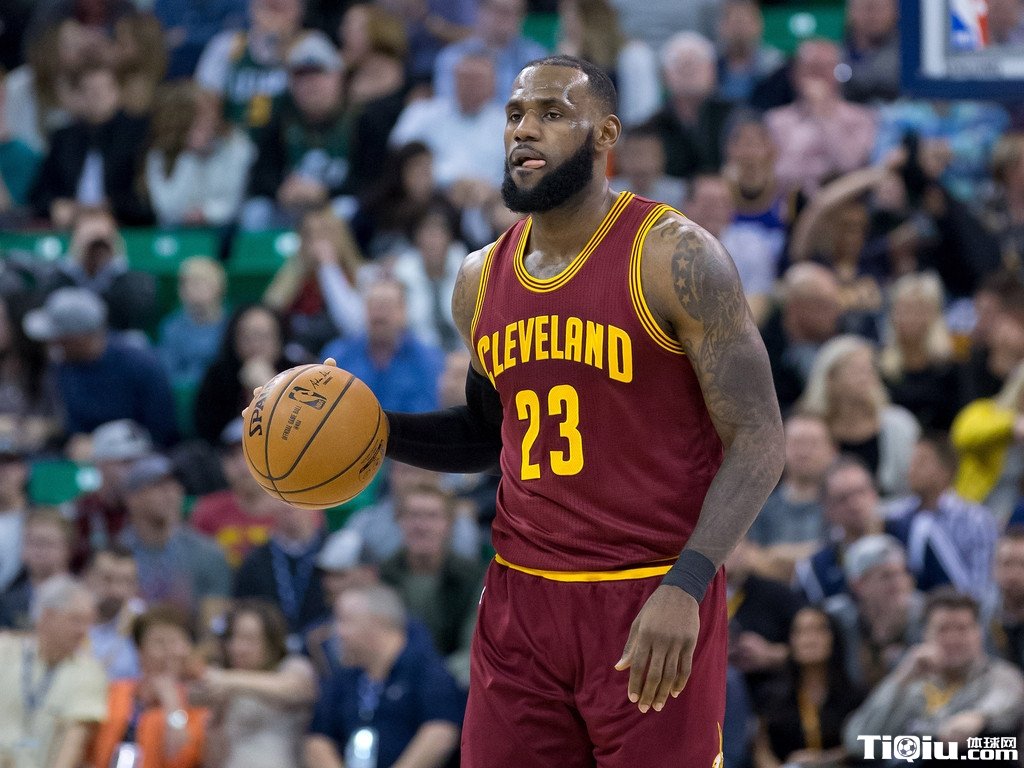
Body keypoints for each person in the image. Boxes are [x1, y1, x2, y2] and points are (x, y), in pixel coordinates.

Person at [304, 54, 785, 766]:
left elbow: (759, 438)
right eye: (515, 114)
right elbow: (486, 433)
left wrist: (688, 584)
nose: (525, 130)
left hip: (646, 592)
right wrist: (368, 429)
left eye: (553, 113)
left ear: (606, 134)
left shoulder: (674, 257)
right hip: (520, 601)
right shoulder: (479, 279)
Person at [844, 589, 1024, 756]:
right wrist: (900, 678)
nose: (953, 639)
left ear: (979, 633)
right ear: (925, 634)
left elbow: (1007, 703)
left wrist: (980, 717)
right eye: (943, 629)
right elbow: (859, 743)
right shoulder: (910, 684)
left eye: (962, 628)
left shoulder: (1000, 676)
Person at [304, 584, 464, 768]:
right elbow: (318, 738)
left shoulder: (427, 671)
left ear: (377, 622)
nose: (337, 632)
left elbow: (441, 732)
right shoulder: (344, 676)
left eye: (345, 621)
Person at [22, 288, 178, 447]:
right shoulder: (63, 366)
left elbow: (161, 433)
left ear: (79, 339)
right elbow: (73, 426)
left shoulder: (140, 365)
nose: (53, 346)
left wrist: (100, 446)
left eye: (60, 340)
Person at [0, 576, 108, 768]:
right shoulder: (5, 651)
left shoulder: (89, 673)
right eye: (76, 620)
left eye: (88, 622)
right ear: (47, 616)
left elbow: (74, 741)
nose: (83, 631)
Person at [194, 599, 316, 768]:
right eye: (233, 637)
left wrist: (229, 679)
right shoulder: (224, 685)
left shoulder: (292, 666)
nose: (237, 648)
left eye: (249, 639)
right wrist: (218, 717)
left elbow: (296, 688)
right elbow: (213, 760)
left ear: (271, 642)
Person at [90, 604, 209, 768]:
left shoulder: (196, 703)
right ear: (140, 651)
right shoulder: (114, 692)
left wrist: (171, 701)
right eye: (159, 642)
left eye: (174, 641)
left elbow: (181, 756)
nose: (168, 651)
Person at [886, 433, 998, 600]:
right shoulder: (896, 516)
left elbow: (982, 582)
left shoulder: (975, 519)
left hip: (960, 606)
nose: (912, 469)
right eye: (912, 461)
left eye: (921, 462)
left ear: (946, 471)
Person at [752, 607, 863, 768]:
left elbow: (867, 746)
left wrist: (824, 760)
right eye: (800, 632)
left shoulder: (856, 696)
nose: (809, 639)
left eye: (818, 630)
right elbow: (761, 750)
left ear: (834, 638)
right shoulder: (771, 696)